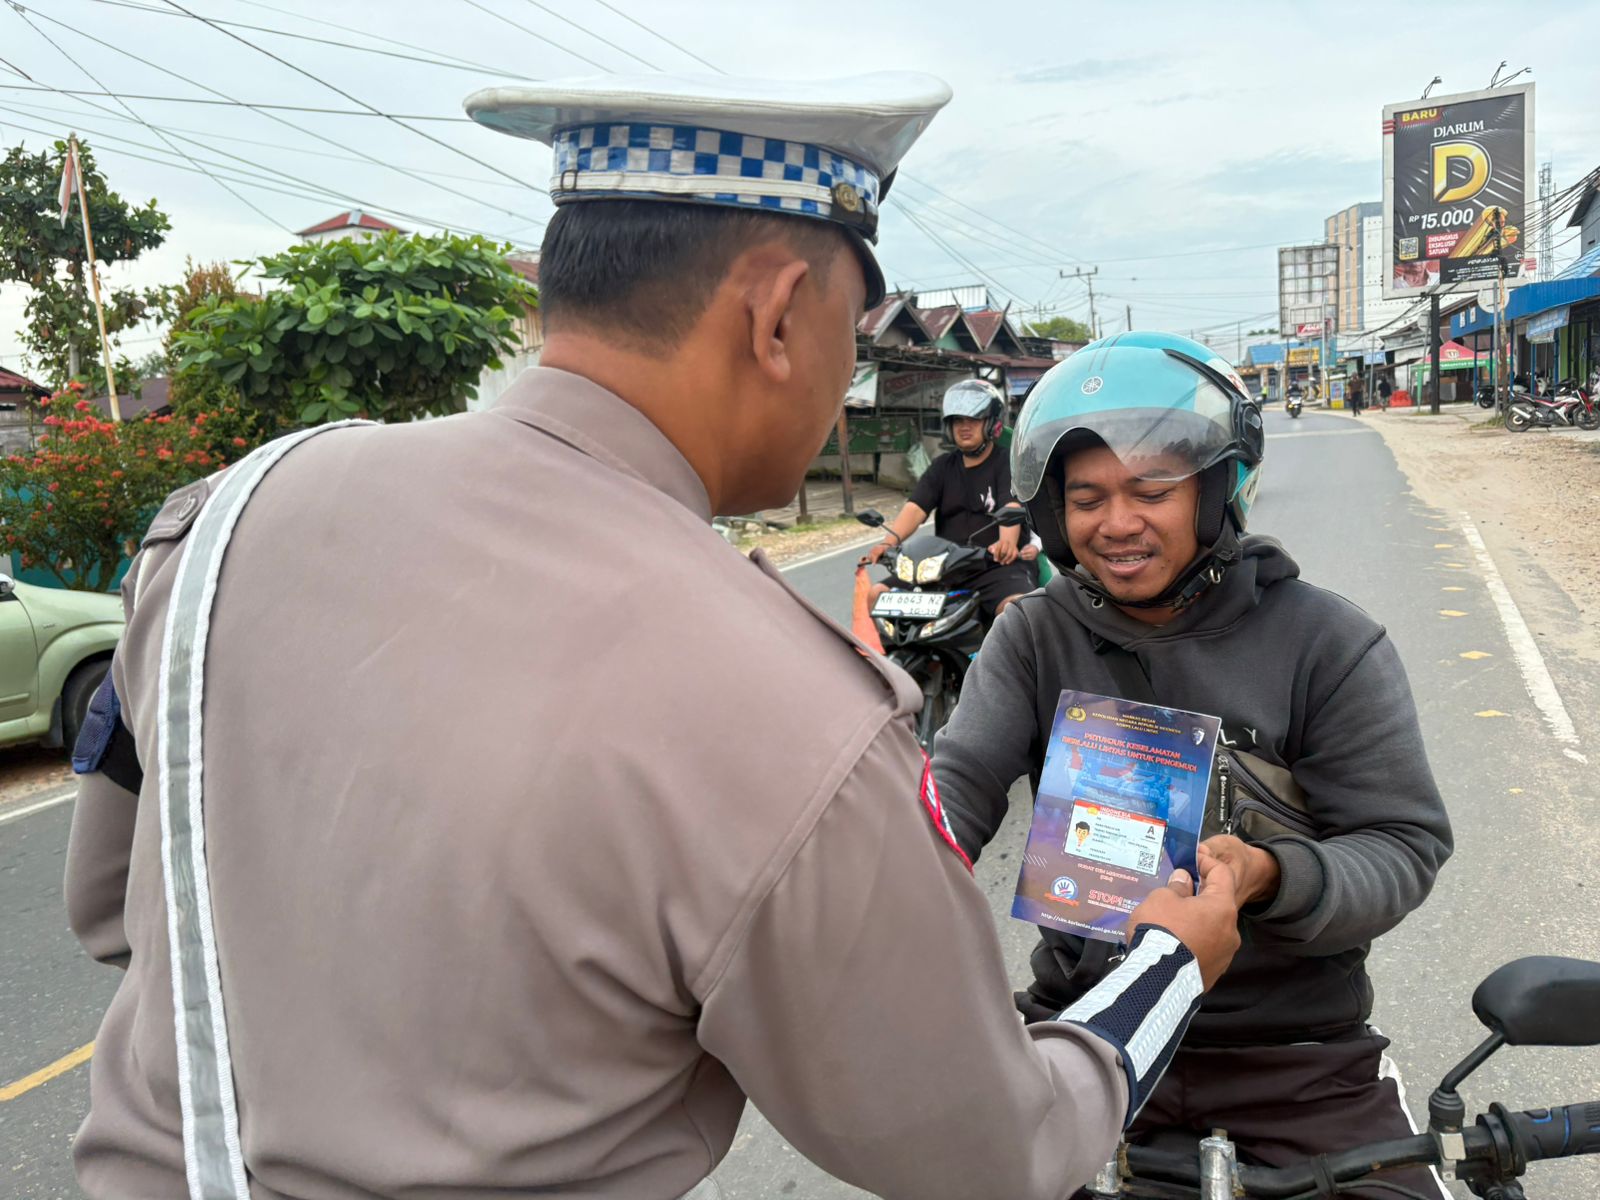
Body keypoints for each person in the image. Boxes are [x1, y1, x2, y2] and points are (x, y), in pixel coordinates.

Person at [64, 77, 1247, 1200]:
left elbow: (115, 906)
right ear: (778, 314)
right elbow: (991, 1152)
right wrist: (1165, 958)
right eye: (854, 334)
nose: (847, 380)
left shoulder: (219, 521)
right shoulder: (787, 714)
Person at [930, 331, 1454, 1200]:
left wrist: (1271, 876)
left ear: (1218, 490)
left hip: (1292, 1063)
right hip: (1082, 1037)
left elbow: (1402, 846)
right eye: (1087, 497)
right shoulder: (1033, 632)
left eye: (1152, 488)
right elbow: (956, 791)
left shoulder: (1325, 643)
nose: (1117, 522)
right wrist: (879, 860)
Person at [866, 377, 1039, 625]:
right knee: (878, 594)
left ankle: (1008, 665)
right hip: (943, 568)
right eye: (958, 420)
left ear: (991, 423)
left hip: (996, 566)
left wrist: (1007, 542)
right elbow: (915, 508)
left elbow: (1010, 506)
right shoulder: (942, 467)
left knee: (1013, 611)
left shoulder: (1006, 463)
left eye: (973, 419)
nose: (964, 427)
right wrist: (888, 542)